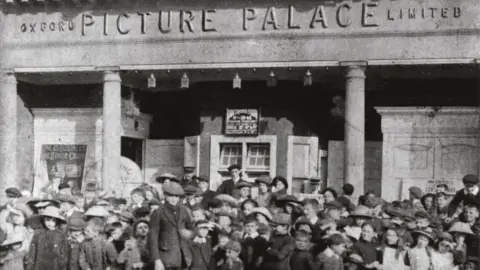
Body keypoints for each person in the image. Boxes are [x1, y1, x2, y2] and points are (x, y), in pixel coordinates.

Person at [149, 182, 194, 270]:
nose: (174, 199)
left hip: (184, 257)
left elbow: (191, 229)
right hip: (166, 258)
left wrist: (191, 233)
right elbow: (152, 238)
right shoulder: (158, 212)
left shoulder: (184, 210)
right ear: (165, 195)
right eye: (171, 196)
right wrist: (157, 260)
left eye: (177, 196)